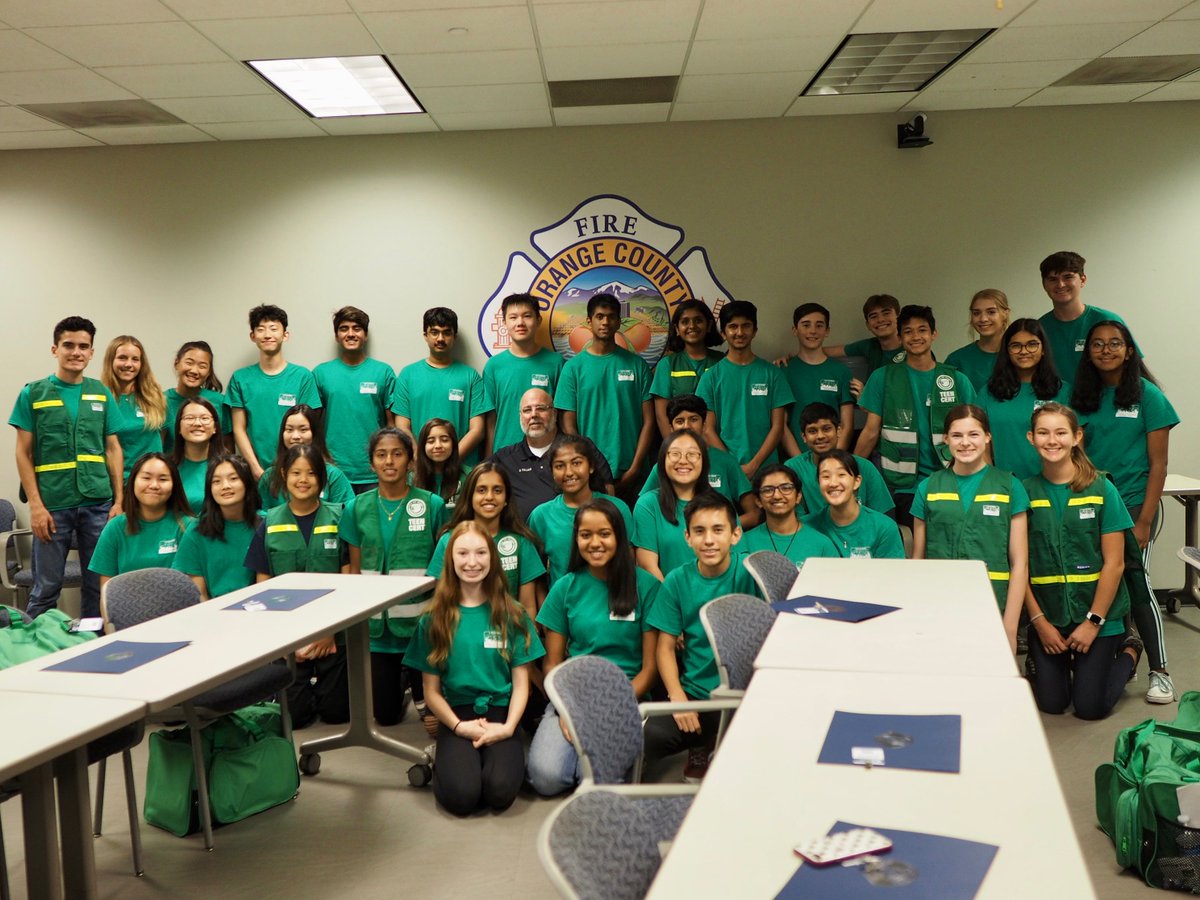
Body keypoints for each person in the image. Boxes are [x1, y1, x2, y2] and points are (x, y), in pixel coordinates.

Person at [403, 522, 544, 816]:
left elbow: (521, 685)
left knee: (500, 792)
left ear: (492, 558)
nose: (472, 562)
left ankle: (492, 757)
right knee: (462, 798)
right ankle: (449, 759)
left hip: (501, 713)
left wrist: (507, 729)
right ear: (450, 560)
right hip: (457, 714)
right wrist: (457, 726)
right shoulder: (434, 619)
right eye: (463, 553)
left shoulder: (513, 614)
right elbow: (431, 692)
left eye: (481, 553)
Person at [1072, 320, 1179, 704]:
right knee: (1096, 583)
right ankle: (1115, 654)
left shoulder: (1148, 396)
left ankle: (1160, 671)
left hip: (1134, 505)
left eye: (1114, 343)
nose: (1105, 350)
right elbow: (1073, 452)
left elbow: (1159, 465)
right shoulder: (1083, 396)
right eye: (1097, 344)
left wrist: (1145, 521)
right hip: (1093, 506)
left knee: (1136, 586)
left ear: (1129, 350)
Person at [527, 497, 660, 796]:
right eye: (586, 535)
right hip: (573, 695)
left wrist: (610, 709)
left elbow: (651, 669)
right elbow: (552, 663)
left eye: (604, 534)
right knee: (546, 779)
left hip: (626, 697)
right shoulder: (565, 587)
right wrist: (567, 709)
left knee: (602, 782)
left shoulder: (646, 586)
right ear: (576, 539)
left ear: (619, 537)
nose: (595, 542)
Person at [1023, 403, 1142, 720]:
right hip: (1049, 618)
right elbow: (1018, 566)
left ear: (1076, 437)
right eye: (1043, 433)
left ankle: (1129, 653)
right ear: (1031, 438)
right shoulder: (1023, 493)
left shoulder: (1102, 489)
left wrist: (1093, 623)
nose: (1052, 440)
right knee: (1052, 703)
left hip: (1098, 619)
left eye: (1061, 432)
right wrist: (1039, 624)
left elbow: (1115, 564)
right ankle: (1046, 663)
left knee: (1090, 708)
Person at [10, 316, 124, 619]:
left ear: (91, 352)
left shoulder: (101, 393)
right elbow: (23, 453)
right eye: (69, 345)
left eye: (83, 346)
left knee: (98, 586)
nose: (76, 352)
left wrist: (119, 501)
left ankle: (93, 648)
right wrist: (35, 506)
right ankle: (36, 655)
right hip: (52, 506)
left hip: (98, 504)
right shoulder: (33, 393)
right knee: (46, 587)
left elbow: (113, 448)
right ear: (54, 349)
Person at [643, 493, 760, 781]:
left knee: (743, 768)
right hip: (695, 693)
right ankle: (700, 743)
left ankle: (714, 743)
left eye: (718, 530)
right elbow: (665, 648)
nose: (708, 540)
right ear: (687, 538)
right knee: (643, 740)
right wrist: (678, 699)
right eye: (699, 531)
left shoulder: (751, 574)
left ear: (735, 535)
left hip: (744, 692)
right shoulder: (676, 580)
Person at [340, 428, 446, 727]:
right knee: (385, 717)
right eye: (381, 455)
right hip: (377, 630)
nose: (389, 461)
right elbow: (357, 573)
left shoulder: (431, 505)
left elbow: (441, 568)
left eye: (397, 454)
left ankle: (421, 691)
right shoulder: (356, 508)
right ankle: (400, 689)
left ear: (411, 462)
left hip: (421, 625)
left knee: (434, 718)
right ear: (371, 464)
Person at [244, 444, 349, 728]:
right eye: (296, 473)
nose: (303, 480)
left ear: (322, 478)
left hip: (332, 636)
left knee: (338, 714)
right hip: (288, 637)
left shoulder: (339, 517)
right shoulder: (269, 523)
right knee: (298, 719)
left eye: (311, 473)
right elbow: (261, 592)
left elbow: (350, 584)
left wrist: (328, 633)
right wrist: (283, 642)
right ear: (283, 475)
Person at [910, 405, 1029, 653]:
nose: (965, 443)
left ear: (987, 437)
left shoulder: (1010, 486)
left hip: (993, 605)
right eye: (957, 435)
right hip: (939, 607)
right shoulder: (928, 487)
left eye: (973, 434)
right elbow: (917, 562)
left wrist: (1009, 627)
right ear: (946, 439)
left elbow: (1020, 564)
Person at [854, 304, 976, 527]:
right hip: (900, 486)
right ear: (900, 338)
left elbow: (977, 435)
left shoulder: (957, 380)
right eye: (908, 331)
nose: (915, 336)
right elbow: (871, 431)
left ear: (934, 334)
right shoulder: (883, 377)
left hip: (951, 482)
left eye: (922, 330)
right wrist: (850, 472)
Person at [555, 293, 655, 501]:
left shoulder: (637, 365)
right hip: (590, 476)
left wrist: (635, 468)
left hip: (634, 474)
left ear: (619, 321)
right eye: (600, 316)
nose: (606, 322)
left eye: (611, 317)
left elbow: (649, 422)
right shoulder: (573, 368)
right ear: (589, 321)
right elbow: (568, 426)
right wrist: (589, 466)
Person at [426, 463, 546, 621]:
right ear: (469, 497)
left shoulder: (522, 543)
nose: (489, 497)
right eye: (481, 490)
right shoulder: (448, 540)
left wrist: (526, 639)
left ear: (506, 499)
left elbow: (528, 606)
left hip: (506, 635)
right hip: (460, 633)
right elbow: (439, 600)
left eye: (497, 490)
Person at [696, 300, 793, 478]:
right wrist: (734, 467)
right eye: (733, 327)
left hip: (767, 471)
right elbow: (707, 430)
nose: (739, 332)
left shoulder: (772, 374)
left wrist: (753, 465)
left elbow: (778, 426)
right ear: (724, 333)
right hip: (725, 471)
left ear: (754, 331)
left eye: (746, 326)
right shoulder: (710, 378)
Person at [488, 387, 613, 520]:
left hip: (579, 536)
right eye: (527, 410)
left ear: (554, 413)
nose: (533, 415)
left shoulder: (582, 448)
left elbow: (608, 492)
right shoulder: (504, 458)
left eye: (541, 408)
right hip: (523, 537)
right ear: (520, 416)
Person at [227, 304, 321, 480]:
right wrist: (255, 469)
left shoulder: (302, 377)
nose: (267, 334)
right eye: (261, 329)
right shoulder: (240, 378)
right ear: (252, 336)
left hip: (297, 470)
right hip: (256, 472)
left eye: (273, 329)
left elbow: (308, 429)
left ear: (285, 335)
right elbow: (238, 428)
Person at [528, 435, 634, 585]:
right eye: (559, 466)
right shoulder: (541, 516)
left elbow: (629, 563)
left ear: (591, 466)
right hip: (565, 605)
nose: (569, 472)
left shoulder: (618, 508)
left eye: (576, 463)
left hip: (613, 602)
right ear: (551, 471)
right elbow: (533, 576)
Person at [313, 306, 396, 494]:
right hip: (333, 470)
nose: (350, 334)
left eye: (356, 328)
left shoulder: (383, 372)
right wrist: (323, 458)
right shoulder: (321, 373)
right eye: (344, 329)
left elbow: (392, 426)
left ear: (365, 335)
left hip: (375, 471)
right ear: (336, 336)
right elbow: (313, 426)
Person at [638, 394, 754, 528]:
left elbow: (754, 513)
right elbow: (643, 510)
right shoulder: (664, 466)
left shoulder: (726, 462)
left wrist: (721, 529)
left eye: (693, 419)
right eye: (680, 421)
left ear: (704, 425)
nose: (687, 426)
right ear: (671, 428)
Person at [392, 307, 490, 465]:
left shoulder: (471, 376)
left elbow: (477, 430)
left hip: (461, 469)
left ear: (454, 336)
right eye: (434, 332)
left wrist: (451, 462)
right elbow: (402, 426)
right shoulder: (408, 375)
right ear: (425, 335)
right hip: (421, 470)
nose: (440, 338)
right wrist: (421, 462)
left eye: (446, 332)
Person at [978, 318, 1070, 480]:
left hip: (1053, 485)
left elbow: (1075, 447)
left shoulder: (1062, 391)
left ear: (1043, 349)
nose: (1024, 351)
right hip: (1004, 486)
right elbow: (981, 442)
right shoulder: (989, 392)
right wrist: (991, 482)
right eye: (1016, 346)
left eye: (1032, 344)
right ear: (1006, 351)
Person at [90, 452, 193, 591]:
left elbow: (194, 588)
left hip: (178, 610)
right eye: (146, 478)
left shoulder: (187, 527)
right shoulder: (115, 528)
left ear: (174, 485)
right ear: (133, 481)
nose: (154, 485)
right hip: (126, 610)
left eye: (163, 479)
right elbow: (106, 593)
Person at [482, 293, 564, 455]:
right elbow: (491, 421)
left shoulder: (556, 363)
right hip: (504, 455)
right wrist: (488, 460)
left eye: (527, 316)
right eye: (513, 317)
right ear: (504, 322)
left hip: (548, 454)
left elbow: (561, 416)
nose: (520, 323)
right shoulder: (494, 366)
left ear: (538, 320)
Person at [173, 454, 261, 600]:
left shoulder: (264, 524)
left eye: (233, 479)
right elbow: (199, 595)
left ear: (247, 483)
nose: (225, 486)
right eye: (216, 481)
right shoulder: (197, 530)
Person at [784, 402, 893, 517]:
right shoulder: (793, 469)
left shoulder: (864, 467)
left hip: (860, 533)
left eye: (826, 429)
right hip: (812, 533)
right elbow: (794, 521)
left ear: (839, 430)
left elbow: (884, 516)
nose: (820, 436)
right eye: (812, 431)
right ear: (804, 437)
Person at [633, 430, 716, 581]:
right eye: (675, 454)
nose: (683, 461)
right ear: (663, 460)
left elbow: (736, 561)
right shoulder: (648, 505)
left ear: (703, 461)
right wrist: (674, 601)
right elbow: (647, 566)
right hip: (667, 599)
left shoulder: (720, 505)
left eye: (692, 454)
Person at [1037, 250, 1137, 374]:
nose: (1061, 284)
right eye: (1053, 279)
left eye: (1068, 277)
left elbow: (1134, 369)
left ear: (1083, 280)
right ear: (1044, 285)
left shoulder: (1108, 321)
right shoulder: (1038, 328)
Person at [778, 303, 854, 457]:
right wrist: (800, 464)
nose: (812, 331)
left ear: (827, 331)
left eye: (819, 325)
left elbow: (846, 425)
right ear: (795, 330)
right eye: (806, 325)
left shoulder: (841, 372)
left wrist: (833, 460)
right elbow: (781, 425)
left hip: (832, 463)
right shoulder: (783, 371)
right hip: (795, 462)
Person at [802, 450, 905, 559]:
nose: (833, 483)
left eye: (841, 475)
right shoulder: (807, 526)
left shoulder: (883, 528)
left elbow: (891, 574)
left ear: (857, 481)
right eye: (826, 476)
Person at [649, 300, 724, 437]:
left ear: (709, 325)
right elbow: (662, 417)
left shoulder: (722, 362)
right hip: (681, 448)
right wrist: (676, 447)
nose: (692, 326)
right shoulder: (667, 364)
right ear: (677, 328)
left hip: (719, 445)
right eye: (685, 322)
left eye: (698, 320)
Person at [257, 404, 355, 510]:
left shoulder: (333, 475)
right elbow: (260, 515)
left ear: (314, 434)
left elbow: (348, 515)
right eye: (289, 430)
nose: (295, 436)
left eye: (303, 430)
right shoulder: (269, 477)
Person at [739, 465, 838, 567]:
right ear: (758, 501)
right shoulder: (744, 543)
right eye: (768, 490)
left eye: (786, 488)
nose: (777, 496)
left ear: (798, 496)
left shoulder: (821, 544)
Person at [101, 335, 166, 479]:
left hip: (153, 482)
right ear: (110, 360)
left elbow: (163, 441)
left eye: (135, 359)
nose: (129, 364)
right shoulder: (102, 399)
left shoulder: (155, 397)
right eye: (122, 358)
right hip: (119, 482)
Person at [826, 293, 905, 397]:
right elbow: (825, 351)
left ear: (899, 318)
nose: (880, 320)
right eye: (873, 316)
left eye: (886, 313)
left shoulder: (913, 349)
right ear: (868, 325)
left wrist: (867, 396)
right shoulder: (870, 346)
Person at [162, 340, 231, 453]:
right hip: (172, 468)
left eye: (202, 366)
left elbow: (227, 445)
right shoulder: (161, 401)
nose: (194, 370)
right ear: (176, 364)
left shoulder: (219, 402)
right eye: (189, 363)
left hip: (212, 469)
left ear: (209, 372)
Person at [945, 289, 1010, 392]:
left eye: (991, 312)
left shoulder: (1020, 356)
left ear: (1005, 314)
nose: (983, 319)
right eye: (976, 313)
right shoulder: (956, 360)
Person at [170, 397, 226, 512]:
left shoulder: (229, 467)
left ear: (215, 427)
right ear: (179, 427)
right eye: (189, 418)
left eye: (204, 418)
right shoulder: (167, 467)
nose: (197, 423)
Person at [413, 418, 470, 507]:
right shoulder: (411, 478)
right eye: (431, 441)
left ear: (453, 444)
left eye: (444, 440)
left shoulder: (469, 476)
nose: (438, 446)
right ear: (423, 446)